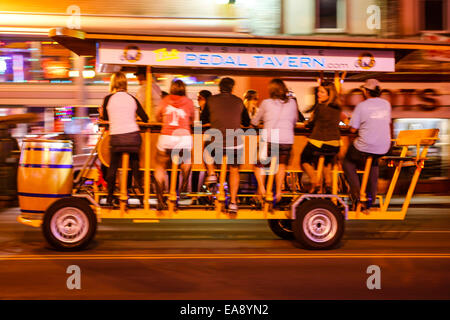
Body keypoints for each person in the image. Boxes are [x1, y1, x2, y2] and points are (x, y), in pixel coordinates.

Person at [202, 77, 251, 213]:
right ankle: (234, 202)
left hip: (215, 143)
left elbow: (202, 120)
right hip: (234, 144)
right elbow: (247, 123)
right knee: (234, 170)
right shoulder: (239, 101)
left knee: (206, 144)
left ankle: (211, 173)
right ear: (232, 88)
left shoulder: (211, 100)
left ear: (219, 87)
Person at [101, 72, 149, 206]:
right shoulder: (132, 98)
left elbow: (105, 118)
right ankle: (139, 188)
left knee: (113, 166)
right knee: (134, 161)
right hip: (133, 137)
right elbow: (145, 118)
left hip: (116, 138)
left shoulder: (108, 98)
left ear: (113, 83)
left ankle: (110, 196)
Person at [343, 79, 391, 210]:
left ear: (366, 91)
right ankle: (371, 196)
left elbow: (353, 129)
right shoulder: (386, 104)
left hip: (365, 145)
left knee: (347, 162)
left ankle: (357, 194)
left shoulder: (362, 106)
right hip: (384, 147)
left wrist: (348, 122)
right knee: (373, 161)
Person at [251, 79, 298, 203]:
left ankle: (262, 189)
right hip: (287, 140)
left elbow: (255, 121)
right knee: (281, 165)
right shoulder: (292, 103)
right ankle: (278, 192)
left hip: (270, 140)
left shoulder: (266, 103)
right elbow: (295, 120)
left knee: (258, 164)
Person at [154, 79, 195, 210]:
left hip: (166, 137)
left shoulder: (165, 100)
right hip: (183, 138)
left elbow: (157, 116)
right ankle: (184, 184)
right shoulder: (189, 102)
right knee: (187, 159)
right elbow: (192, 119)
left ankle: (160, 198)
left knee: (160, 167)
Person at [301, 82, 348, 194]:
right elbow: (345, 120)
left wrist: (307, 123)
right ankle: (328, 183)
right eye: (318, 91)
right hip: (335, 145)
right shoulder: (338, 108)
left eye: (322, 92)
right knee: (327, 160)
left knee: (304, 158)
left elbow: (311, 124)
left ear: (329, 94)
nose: (318, 94)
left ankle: (315, 180)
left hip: (319, 142)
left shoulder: (320, 107)